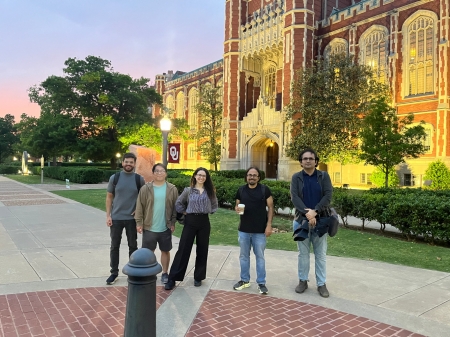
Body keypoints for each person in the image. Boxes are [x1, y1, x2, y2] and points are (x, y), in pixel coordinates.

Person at [165, 167, 218, 290]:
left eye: (204, 176)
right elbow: (178, 203)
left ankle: (198, 277)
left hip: (204, 221)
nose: (201, 177)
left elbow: (214, 205)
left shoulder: (210, 191)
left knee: (202, 249)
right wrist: (185, 212)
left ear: (206, 178)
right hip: (190, 221)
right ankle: (172, 278)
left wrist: (209, 210)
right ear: (194, 176)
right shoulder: (188, 191)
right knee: (183, 249)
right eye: (199, 175)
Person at [290, 148, 333, 297]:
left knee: (320, 254)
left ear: (316, 161)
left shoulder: (323, 176)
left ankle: (321, 284)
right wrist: (307, 213)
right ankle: (303, 281)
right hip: (301, 221)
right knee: (303, 254)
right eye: (305, 158)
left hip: (321, 221)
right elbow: (294, 197)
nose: (308, 160)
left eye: (311, 158)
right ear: (301, 162)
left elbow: (328, 195)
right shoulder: (296, 177)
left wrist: (315, 211)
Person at [134, 163, 178, 284]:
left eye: (162, 171)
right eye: (157, 171)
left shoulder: (172, 189)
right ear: (153, 173)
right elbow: (139, 206)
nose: (159, 173)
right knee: (148, 252)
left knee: (165, 251)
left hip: (165, 227)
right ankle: (148, 272)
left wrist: (173, 222)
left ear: (166, 173)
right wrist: (139, 222)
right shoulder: (145, 188)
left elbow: (175, 208)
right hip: (149, 227)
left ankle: (165, 273)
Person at [105, 153, 145, 285]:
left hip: (131, 219)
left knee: (132, 246)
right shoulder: (115, 178)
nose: (128, 164)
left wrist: (138, 210)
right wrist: (108, 215)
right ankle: (114, 273)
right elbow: (109, 197)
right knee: (114, 246)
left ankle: (132, 271)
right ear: (122, 163)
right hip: (116, 218)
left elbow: (143, 198)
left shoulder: (139, 179)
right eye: (126, 162)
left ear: (134, 164)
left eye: (131, 162)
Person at [233, 167, 274, 295]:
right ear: (246, 177)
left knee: (260, 257)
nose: (252, 177)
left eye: (254, 175)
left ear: (258, 177)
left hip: (260, 231)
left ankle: (261, 283)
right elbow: (237, 205)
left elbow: (271, 207)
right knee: (244, 257)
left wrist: (269, 225)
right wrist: (237, 209)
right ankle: (244, 280)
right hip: (244, 230)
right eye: (249, 175)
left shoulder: (264, 190)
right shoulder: (241, 190)